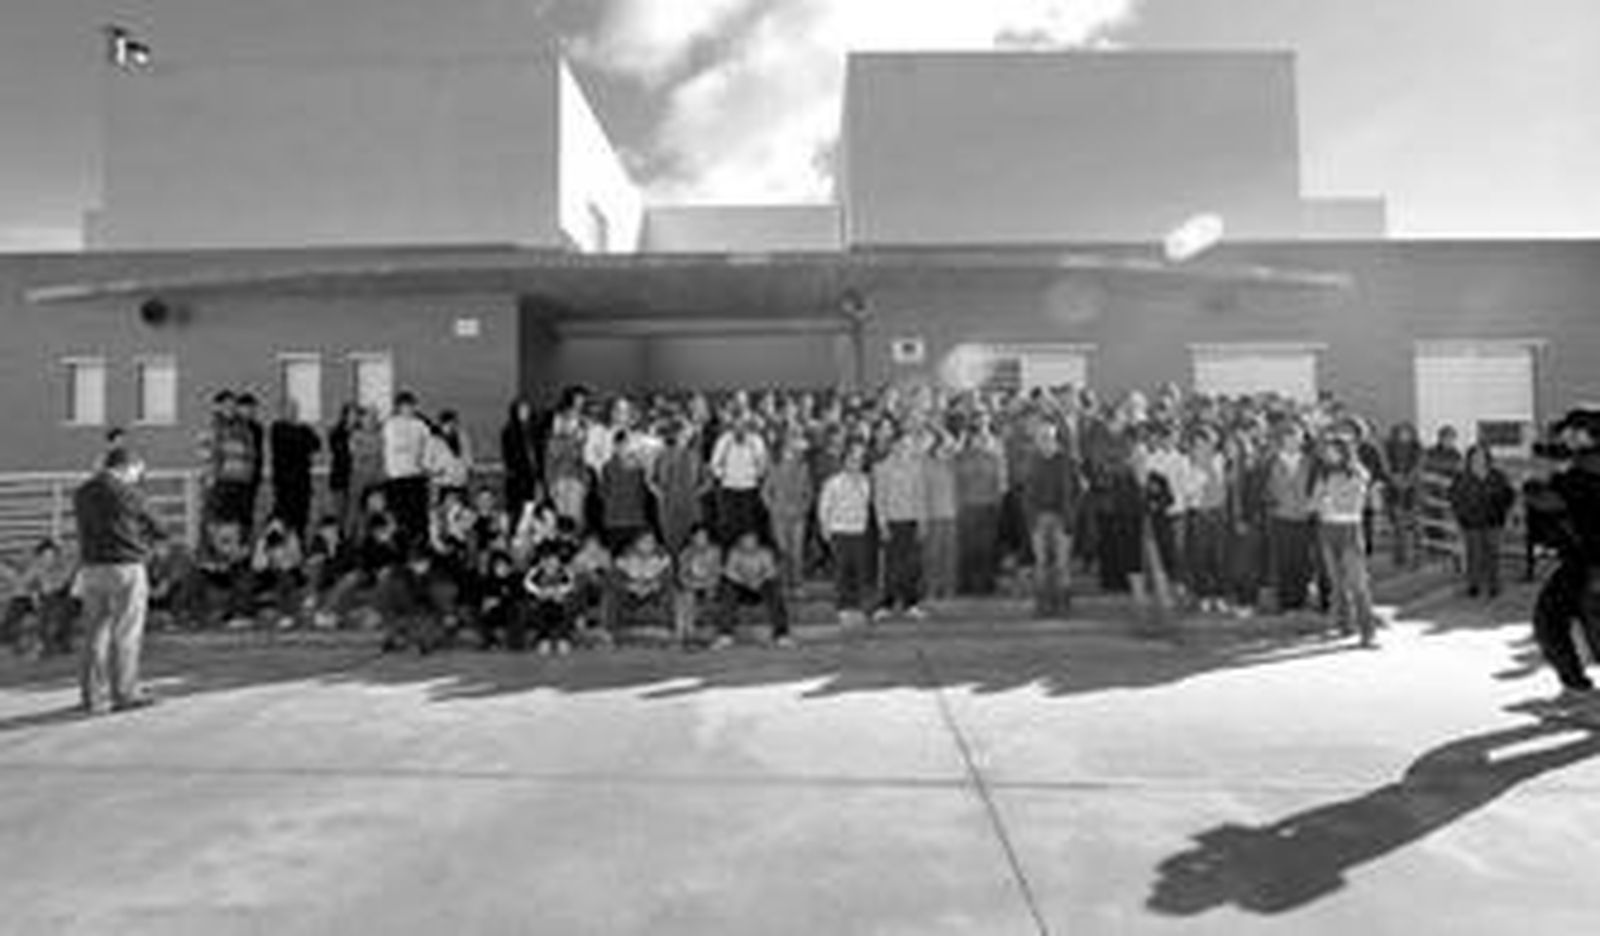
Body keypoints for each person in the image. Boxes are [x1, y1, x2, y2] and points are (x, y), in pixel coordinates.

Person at [72, 447, 163, 714]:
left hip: (91, 568)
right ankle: (124, 693)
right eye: (137, 472)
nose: (138, 477)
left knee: (94, 634)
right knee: (125, 632)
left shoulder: (82, 493)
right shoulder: (129, 492)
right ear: (127, 466)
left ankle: (92, 697)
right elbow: (158, 525)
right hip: (126, 567)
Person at [1525, 408, 1600, 699]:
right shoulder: (1578, 465)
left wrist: (1542, 492)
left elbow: (1568, 501)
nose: (1565, 436)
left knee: (1555, 621)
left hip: (1591, 563)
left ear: (1585, 434)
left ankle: (1576, 686)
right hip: (1579, 562)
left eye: (1571, 431)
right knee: (1551, 619)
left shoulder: (1586, 470)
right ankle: (1575, 686)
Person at [1311, 437, 1377, 647]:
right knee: (1336, 582)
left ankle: (1368, 632)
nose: (1328, 455)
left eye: (1333, 451)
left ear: (1345, 452)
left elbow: (1353, 504)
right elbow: (1313, 502)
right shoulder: (1323, 473)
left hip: (1349, 529)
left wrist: (1328, 499)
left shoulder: (1357, 472)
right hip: (1327, 529)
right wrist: (1326, 500)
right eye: (1327, 451)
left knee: (1358, 583)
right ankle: (1344, 625)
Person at [1020, 422, 1082, 619]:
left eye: (1048, 437)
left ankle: (1063, 604)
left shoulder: (1067, 461)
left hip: (1062, 517)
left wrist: (1071, 513)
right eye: (1041, 438)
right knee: (1041, 563)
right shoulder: (1032, 462)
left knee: (1062, 563)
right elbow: (1026, 493)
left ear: (1055, 439)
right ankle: (1042, 604)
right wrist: (1031, 518)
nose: (1044, 441)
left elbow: (1078, 490)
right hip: (1039, 518)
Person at [873, 432, 928, 621]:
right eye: (901, 445)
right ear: (893, 446)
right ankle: (886, 603)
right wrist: (882, 524)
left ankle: (910, 603)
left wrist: (922, 521)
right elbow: (879, 499)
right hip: (892, 521)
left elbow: (920, 496)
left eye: (908, 445)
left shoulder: (916, 468)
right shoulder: (881, 468)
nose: (904, 449)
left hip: (911, 520)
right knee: (891, 565)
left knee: (911, 565)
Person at [1449, 444, 1516, 599]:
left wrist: (1506, 512)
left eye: (1482, 455)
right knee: (1474, 554)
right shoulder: (1462, 477)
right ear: (1470, 458)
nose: (1478, 459)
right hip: (1471, 521)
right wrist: (1461, 515)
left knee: (1493, 554)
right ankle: (1474, 584)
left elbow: (1509, 495)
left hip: (1494, 520)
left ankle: (1494, 584)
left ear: (1487, 457)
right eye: (1475, 456)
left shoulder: (1497, 475)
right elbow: (1455, 498)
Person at [818, 442, 873, 626]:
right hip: (840, 531)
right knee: (842, 571)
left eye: (859, 461)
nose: (855, 464)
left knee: (859, 571)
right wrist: (825, 527)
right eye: (852, 460)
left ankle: (857, 606)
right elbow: (824, 506)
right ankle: (842, 607)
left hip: (858, 531)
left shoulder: (865, 481)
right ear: (844, 462)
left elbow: (866, 504)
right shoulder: (834, 482)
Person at [1266, 422, 1316, 614]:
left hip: (1303, 518)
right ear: (1282, 440)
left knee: (1302, 561)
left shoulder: (1310, 462)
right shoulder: (1272, 461)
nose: (1293, 442)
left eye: (1297, 438)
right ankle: (1286, 603)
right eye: (1289, 438)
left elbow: (1316, 487)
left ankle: (1300, 600)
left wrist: (1311, 506)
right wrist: (1272, 501)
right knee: (1283, 562)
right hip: (1281, 517)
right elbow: (1264, 487)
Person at [714, 531, 792, 649]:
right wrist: (745, 581)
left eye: (752, 540)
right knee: (728, 589)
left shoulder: (765, 552)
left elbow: (771, 571)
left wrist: (758, 580)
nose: (749, 543)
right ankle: (725, 634)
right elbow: (729, 572)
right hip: (741, 586)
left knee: (774, 589)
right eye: (746, 540)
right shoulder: (735, 552)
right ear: (740, 541)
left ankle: (781, 634)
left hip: (759, 586)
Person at [2, 538, 77, 657]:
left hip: (63, 602)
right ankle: (7, 639)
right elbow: (24, 584)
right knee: (18, 603)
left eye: (51, 557)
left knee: (52, 605)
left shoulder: (63, 569)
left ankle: (52, 643)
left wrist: (42, 590)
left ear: (57, 556)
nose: (48, 560)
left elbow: (59, 586)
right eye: (45, 557)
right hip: (43, 601)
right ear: (39, 557)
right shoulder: (37, 569)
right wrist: (32, 593)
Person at [762, 432, 814, 590]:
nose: (791, 448)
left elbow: (809, 491)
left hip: (798, 515)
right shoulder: (773, 466)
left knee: (797, 552)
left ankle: (797, 583)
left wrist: (804, 507)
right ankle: (783, 583)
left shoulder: (803, 466)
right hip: (779, 515)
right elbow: (765, 491)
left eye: (793, 445)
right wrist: (772, 508)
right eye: (788, 445)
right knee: (782, 550)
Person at [382, 391, 433, 547]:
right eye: (405, 406)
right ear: (398, 407)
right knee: (400, 517)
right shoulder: (390, 425)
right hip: (396, 478)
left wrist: (425, 465)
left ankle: (420, 546)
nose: (408, 409)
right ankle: (401, 547)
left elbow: (429, 447)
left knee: (418, 518)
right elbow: (387, 449)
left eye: (411, 406)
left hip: (416, 477)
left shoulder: (420, 425)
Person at [710, 415, 770, 546]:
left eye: (743, 425)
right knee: (728, 525)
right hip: (729, 489)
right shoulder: (724, 440)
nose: (740, 428)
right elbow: (714, 464)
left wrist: (753, 476)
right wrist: (725, 475)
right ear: (732, 425)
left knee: (749, 525)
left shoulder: (756, 441)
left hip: (749, 488)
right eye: (737, 425)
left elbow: (763, 464)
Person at [269, 398, 321, 540]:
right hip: (285, 485)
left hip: (302, 483)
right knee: (285, 520)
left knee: (302, 519)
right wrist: (303, 438)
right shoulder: (277, 428)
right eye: (288, 410)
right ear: (281, 412)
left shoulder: (303, 429)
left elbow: (317, 444)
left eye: (294, 410)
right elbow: (291, 444)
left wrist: (304, 436)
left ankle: (299, 547)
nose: (292, 413)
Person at [523, 540, 578, 656]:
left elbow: (570, 585)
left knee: (564, 608)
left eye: (554, 560)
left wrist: (558, 592)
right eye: (547, 560)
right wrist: (540, 592)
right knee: (541, 611)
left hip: (560, 607)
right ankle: (544, 637)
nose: (551, 564)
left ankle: (563, 637)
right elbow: (528, 585)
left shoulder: (565, 572)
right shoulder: (535, 573)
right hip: (541, 608)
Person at [1384, 422, 1425, 568]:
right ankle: (1400, 556)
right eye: (1401, 432)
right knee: (1398, 525)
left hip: (1412, 490)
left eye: (1407, 432)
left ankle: (1417, 556)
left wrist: (1408, 480)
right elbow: (1386, 465)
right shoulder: (1389, 446)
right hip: (1394, 490)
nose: (1404, 435)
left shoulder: (1417, 448)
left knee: (1416, 525)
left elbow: (1418, 465)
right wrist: (1393, 478)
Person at [674, 525, 722, 645]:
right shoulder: (686, 552)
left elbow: (717, 571)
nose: (702, 539)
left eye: (704, 536)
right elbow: (682, 574)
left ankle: (710, 635)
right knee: (686, 597)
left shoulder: (715, 551)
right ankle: (688, 634)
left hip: (710, 584)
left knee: (711, 596)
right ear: (692, 538)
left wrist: (709, 583)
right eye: (699, 536)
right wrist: (691, 584)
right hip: (692, 584)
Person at [500, 397, 544, 521]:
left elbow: (540, 454)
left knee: (535, 509)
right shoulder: (509, 431)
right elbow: (509, 457)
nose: (524, 413)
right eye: (521, 410)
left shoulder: (536, 430)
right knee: (518, 510)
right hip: (518, 477)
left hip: (534, 475)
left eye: (527, 410)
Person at [426, 409, 474, 504]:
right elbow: (426, 462)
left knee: (463, 510)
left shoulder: (463, 438)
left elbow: (468, 457)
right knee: (441, 510)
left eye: (454, 423)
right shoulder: (433, 440)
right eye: (448, 424)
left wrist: (469, 469)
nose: (451, 427)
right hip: (442, 483)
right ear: (441, 425)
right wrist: (436, 471)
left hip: (460, 482)